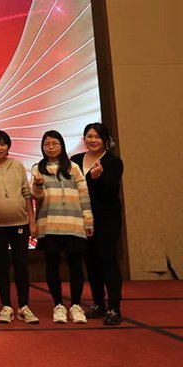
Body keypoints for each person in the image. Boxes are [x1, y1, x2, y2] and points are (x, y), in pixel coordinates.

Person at [0, 129, 39, 324]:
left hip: (20, 224)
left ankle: (24, 306)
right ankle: (6, 306)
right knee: (2, 265)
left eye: (3, 144)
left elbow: (27, 193)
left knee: (21, 265)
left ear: (8, 146)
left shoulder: (17, 165)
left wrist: (32, 222)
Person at [31, 130, 93, 324]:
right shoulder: (38, 168)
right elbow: (36, 196)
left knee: (75, 265)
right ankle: (58, 305)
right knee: (52, 265)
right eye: (47, 144)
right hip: (49, 225)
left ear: (61, 145)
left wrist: (88, 221)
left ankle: (76, 306)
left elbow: (84, 195)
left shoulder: (73, 167)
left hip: (73, 224)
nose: (51, 148)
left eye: (55, 143)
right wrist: (38, 185)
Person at [71, 122, 125, 326]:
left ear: (105, 140)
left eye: (97, 137)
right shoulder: (75, 161)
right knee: (91, 262)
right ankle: (98, 303)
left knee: (108, 260)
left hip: (107, 219)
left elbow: (111, 190)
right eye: (89, 136)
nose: (93, 140)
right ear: (84, 139)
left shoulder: (113, 162)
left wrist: (98, 178)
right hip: (83, 219)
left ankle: (114, 308)